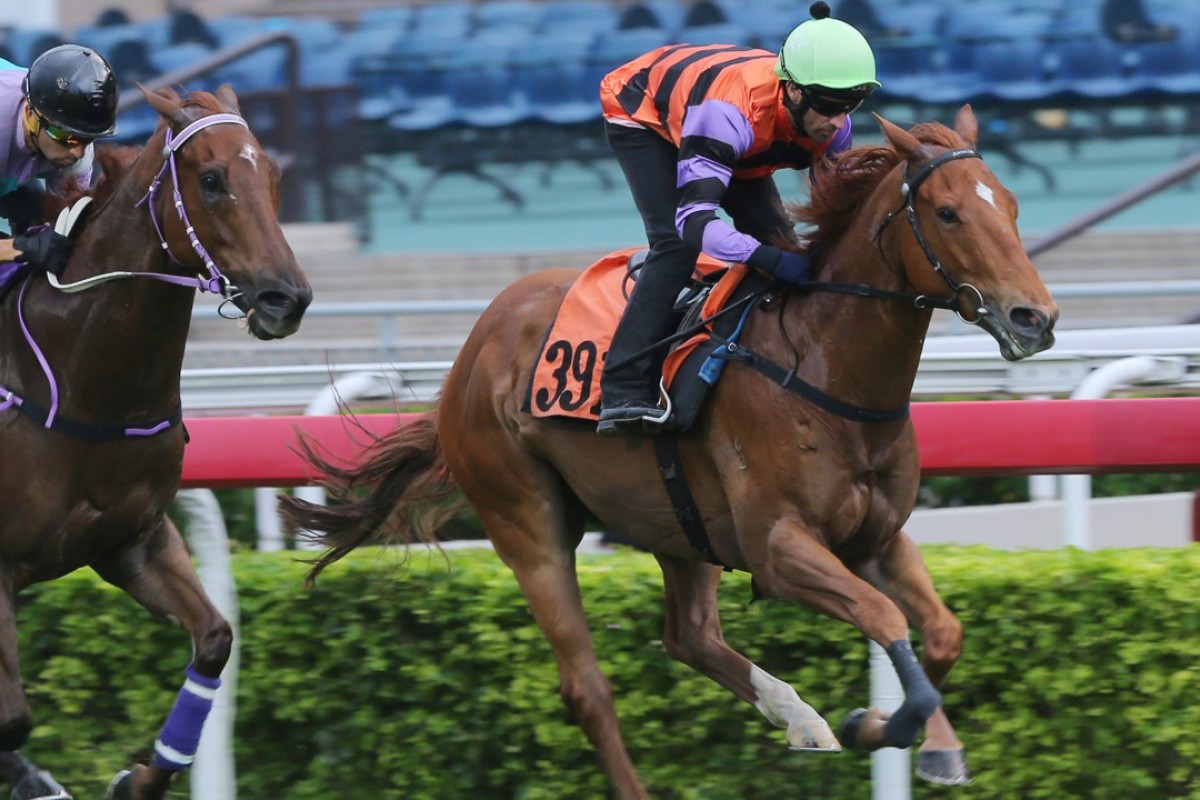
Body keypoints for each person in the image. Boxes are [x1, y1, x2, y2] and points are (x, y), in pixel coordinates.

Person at [595, 1, 879, 435]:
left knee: (781, 239)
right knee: (676, 246)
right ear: (795, 91)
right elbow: (696, 222)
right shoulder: (727, 116)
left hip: (738, 129)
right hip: (645, 111)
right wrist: (768, 258)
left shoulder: (833, 125)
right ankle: (623, 389)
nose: (838, 121)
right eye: (828, 105)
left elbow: (836, 215)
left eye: (852, 105)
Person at [0, 44, 119, 276]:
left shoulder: (73, 141)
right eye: (67, 138)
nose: (78, 153)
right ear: (30, 115)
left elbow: (69, 225)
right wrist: (22, 248)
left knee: (43, 221)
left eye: (88, 139)